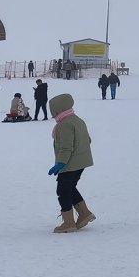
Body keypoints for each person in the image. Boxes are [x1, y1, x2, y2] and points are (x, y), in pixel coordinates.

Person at [47, 93, 95, 233]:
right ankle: (85, 214)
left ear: (57, 110)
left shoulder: (65, 124)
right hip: (81, 162)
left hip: (70, 163)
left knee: (63, 191)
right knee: (70, 188)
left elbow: (66, 147)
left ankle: (68, 223)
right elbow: (88, 140)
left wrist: (60, 163)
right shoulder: (77, 120)